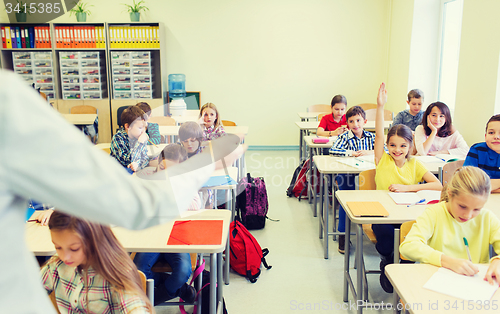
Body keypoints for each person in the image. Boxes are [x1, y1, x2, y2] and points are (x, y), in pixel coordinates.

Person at [0, 69, 243, 313]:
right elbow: (135, 201)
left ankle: (166, 291)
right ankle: (165, 290)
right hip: (147, 224)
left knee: (174, 270)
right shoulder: (58, 267)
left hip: (171, 232)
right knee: (141, 266)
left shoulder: (9, 102)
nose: (66, 255)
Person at [374, 83, 442, 293]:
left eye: (403, 145)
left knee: (413, 236)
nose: (397, 150)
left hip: (407, 213)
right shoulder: (382, 159)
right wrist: (380, 106)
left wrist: (408, 188)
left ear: (410, 146)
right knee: (386, 239)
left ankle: (400, 267)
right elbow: (378, 133)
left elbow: (438, 185)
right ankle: (389, 262)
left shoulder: (415, 163)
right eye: (392, 145)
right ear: (387, 145)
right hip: (382, 214)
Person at [400, 167, 500, 284]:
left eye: (477, 209)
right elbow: (408, 246)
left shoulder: (487, 217)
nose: (468, 215)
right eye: (462, 206)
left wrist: (498, 260)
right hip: (436, 282)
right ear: (450, 193)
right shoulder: (434, 213)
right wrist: (446, 261)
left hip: (474, 283)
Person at [41, 211, 154, 313]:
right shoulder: (56, 264)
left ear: (93, 240)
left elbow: (135, 307)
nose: (65, 257)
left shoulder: (115, 273)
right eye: (58, 247)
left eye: (74, 249)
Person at [135, 144, 199, 305]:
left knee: (183, 270)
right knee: (138, 271)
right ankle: (181, 289)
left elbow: (195, 206)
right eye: (162, 167)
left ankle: (151, 301)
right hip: (152, 236)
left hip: (176, 236)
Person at [329, 105, 375, 254]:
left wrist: (369, 152)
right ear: (347, 123)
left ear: (365, 121)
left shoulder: (371, 137)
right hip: (348, 173)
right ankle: (343, 233)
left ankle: (376, 228)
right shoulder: (344, 137)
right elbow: (333, 150)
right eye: (351, 121)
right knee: (346, 198)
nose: (355, 124)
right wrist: (351, 153)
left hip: (368, 173)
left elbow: (386, 150)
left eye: (358, 120)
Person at [463, 114, 500, 193]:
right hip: (476, 198)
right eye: (491, 132)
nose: (496, 136)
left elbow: (479, 185)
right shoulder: (477, 150)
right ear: (485, 136)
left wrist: (485, 186)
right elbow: (468, 182)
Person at [110, 106, 150, 172]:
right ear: (128, 126)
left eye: (144, 127)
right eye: (140, 128)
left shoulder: (138, 136)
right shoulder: (118, 138)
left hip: (133, 173)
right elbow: (127, 161)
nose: (143, 131)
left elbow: (145, 159)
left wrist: (138, 166)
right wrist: (140, 143)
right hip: (118, 173)